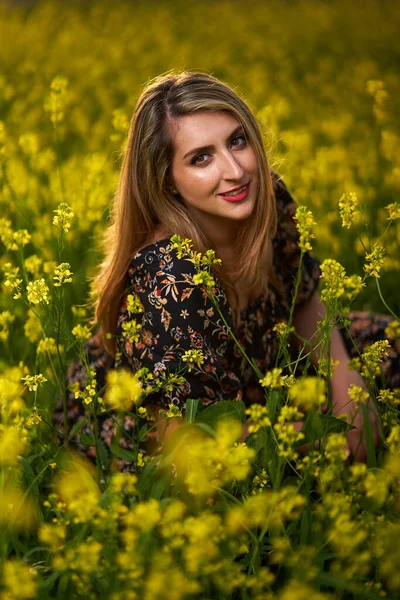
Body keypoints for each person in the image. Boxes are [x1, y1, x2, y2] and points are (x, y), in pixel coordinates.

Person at [55, 70, 398, 473]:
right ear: (167, 181)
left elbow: (304, 299)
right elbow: (193, 432)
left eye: (237, 141)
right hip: (174, 430)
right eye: (201, 158)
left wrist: (350, 392)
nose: (235, 171)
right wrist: (328, 433)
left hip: (262, 367)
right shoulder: (171, 274)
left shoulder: (268, 196)